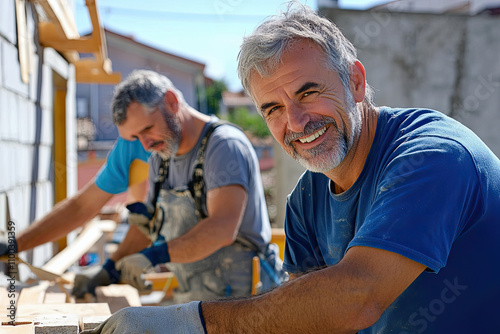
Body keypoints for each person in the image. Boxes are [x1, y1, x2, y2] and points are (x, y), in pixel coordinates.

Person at [82, 3, 500, 334]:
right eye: (274, 109)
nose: (296, 123)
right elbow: (311, 320)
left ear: (355, 81)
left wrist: (190, 323)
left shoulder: (432, 157)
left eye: (310, 92)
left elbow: (358, 297)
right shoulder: (306, 199)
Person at [76, 69, 282, 302]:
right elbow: (147, 227)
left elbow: (222, 228)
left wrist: (153, 256)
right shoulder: (160, 158)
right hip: (198, 299)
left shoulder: (223, 146)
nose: (145, 145)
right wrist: (109, 270)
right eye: (135, 137)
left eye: (147, 129)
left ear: (172, 103)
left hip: (249, 301)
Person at [0, 136, 150, 264]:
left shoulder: (156, 140)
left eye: (147, 128)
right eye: (132, 133)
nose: (144, 140)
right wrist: (15, 244)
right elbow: (82, 206)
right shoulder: (131, 142)